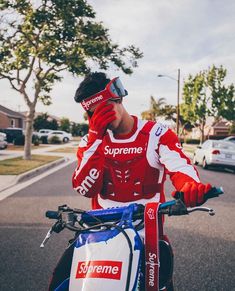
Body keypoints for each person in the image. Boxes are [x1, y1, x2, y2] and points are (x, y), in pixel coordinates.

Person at [72, 72, 211, 210]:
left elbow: (180, 167)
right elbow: (86, 190)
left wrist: (190, 185)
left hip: (145, 228)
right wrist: (94, 140)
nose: (100, 119)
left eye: (103, 111)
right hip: (102, 228)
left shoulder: (157, 134)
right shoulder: (88, 142)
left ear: (118, 98)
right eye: (93, 114)